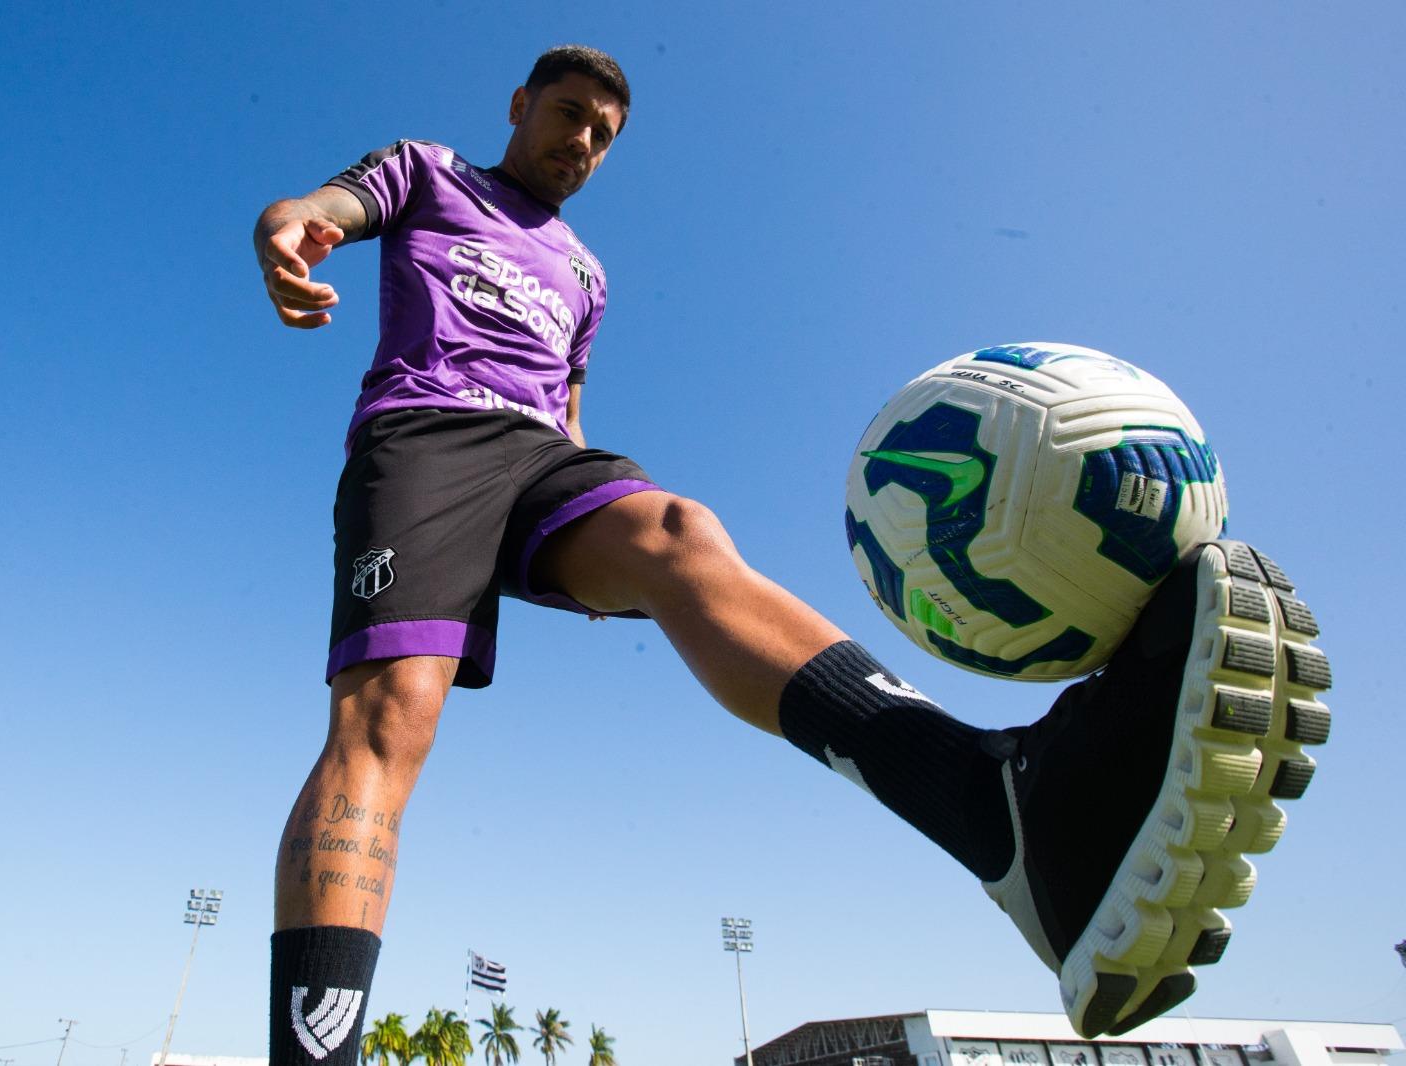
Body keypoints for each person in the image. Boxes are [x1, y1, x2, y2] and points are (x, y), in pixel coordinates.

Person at [251, 45, 1330, 1063]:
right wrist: (292, 228)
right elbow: (323, 208)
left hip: (545, 462)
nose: (582, 140)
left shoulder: (584, 273)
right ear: (520, 106)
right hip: (427, 440)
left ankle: (993, 807)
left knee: (680, 536)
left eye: (604, 133)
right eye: (569, 114)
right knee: (391, 718)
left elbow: (568, 411)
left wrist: (593, 545)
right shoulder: (431, 171)